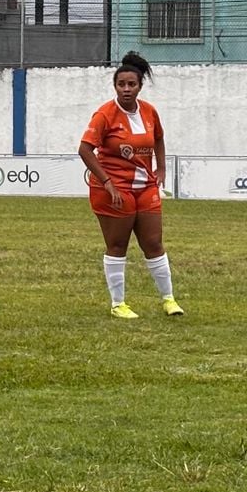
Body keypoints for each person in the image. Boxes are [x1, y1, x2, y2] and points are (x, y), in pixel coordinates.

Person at [78, 52, 183, 319]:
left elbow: (158, 138)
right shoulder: (104, 114)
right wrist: (108, 183)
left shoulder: (149, 111)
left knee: (154, 243)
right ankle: (118, 304)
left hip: (145, 186)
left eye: (131, 84)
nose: (126, 89)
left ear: (139, 86)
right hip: (114, 189)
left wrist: (161, 168)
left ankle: (169, 300)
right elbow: (85, 149)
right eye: (121, 84)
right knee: (117, 245)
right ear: (115, 86)